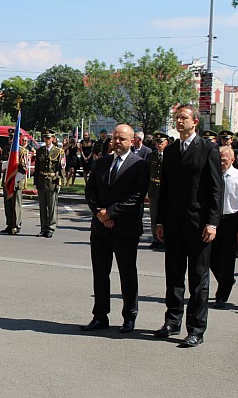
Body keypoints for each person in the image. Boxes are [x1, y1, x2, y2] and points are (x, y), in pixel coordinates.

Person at [154, 104, 223, 347]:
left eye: (183, 117)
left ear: (195, 122)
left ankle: (196, 329)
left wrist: (212, 223)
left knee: (198, 278)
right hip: (173, 224)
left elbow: (216, 189)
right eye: (176, 117)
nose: (179, 121)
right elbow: (165, 190)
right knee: (173, 275)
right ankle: (172, 321)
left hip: (199, 225)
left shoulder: (208, 148)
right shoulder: (171, 151)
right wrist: (160, 220)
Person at [81, 124, 149, 334]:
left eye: (122, 139)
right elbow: (90, 190)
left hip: (125, 229)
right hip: (101, 229)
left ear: (132, 141)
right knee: (100, 273)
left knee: (127, 274)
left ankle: (129, 317)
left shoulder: (139, 165)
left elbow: (137, 197)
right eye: (115, 138)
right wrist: (101, 214)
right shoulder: (102, 163)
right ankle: (100, 316)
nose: (117, 142)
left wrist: (111, 213)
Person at [210, 146, 238, 309]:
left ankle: (221, 296)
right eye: (218, 159)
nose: (221, 163)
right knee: (212, 258)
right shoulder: (212, 175)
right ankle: (226, 280)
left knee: (227, 259)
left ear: (232, 160)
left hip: (232, 220)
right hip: (214, 220)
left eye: (224, 160)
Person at [33, 130, 65, 238]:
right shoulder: (40, 151)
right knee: (42, 206)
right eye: (45, 138)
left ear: (53, 139)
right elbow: (37, 168)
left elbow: (61, 168)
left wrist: (60, 182)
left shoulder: (58, 152)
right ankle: (43, 228)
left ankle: (50, 228)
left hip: (52, 180)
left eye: (48, 138)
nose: (46, 140)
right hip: (42, 180)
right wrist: (35, 181)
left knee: (51, 207)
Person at [2, 131, 29, 235]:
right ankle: (9, 224)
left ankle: (16, 225)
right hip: (7, 179)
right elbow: (0, 161)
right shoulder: (5, 150)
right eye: (10, 138)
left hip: (17, 179)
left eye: (13, 138)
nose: (11, 140)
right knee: (7, 202)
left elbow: (24, 167)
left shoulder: (21, 151)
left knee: (16, 203)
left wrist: (17, 178)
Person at [147, 132, 168, 249]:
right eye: (157, 142)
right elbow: (149, 172)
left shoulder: (170, 155)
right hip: (154, 188)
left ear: (166, 143)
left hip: (164, 189)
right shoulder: (152, 156)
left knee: (164, 216)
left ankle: (164, 238)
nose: (159, 144)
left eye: (161, 142)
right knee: (154, 215)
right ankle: (156, 238)